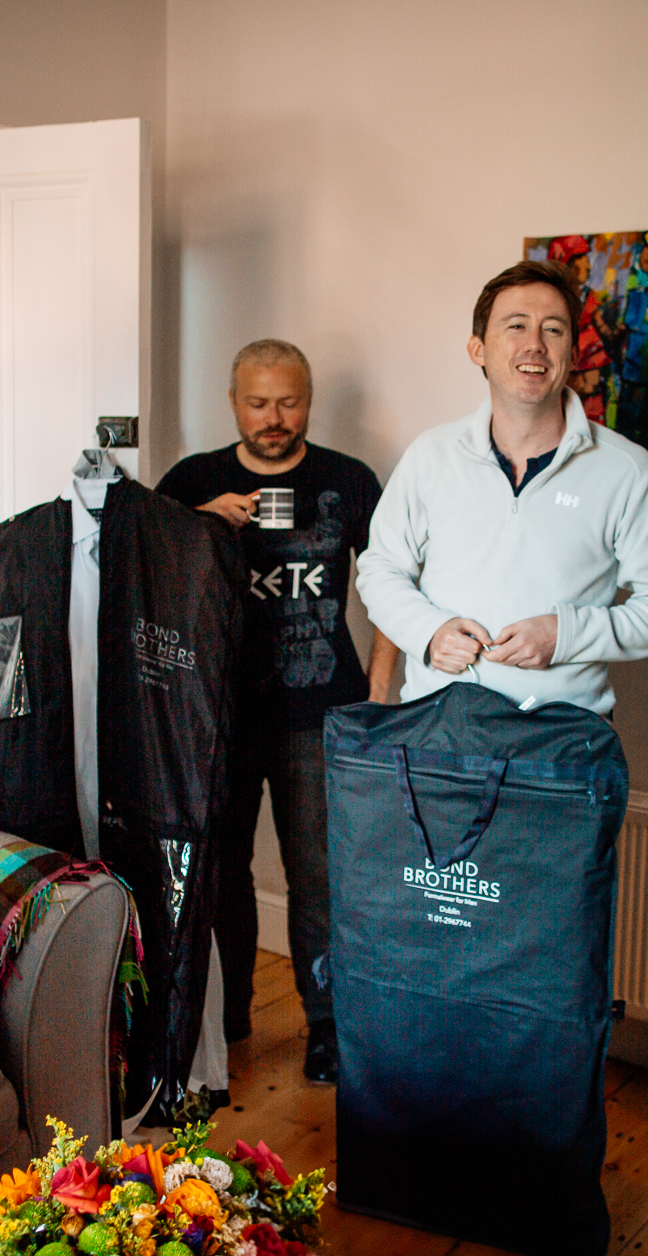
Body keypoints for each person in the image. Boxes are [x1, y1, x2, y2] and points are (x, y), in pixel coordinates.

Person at [156, 338, 395, 1085]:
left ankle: (325, 1026)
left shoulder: (347, 481)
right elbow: (139, 569)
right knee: (219, 873)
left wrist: (379, 690)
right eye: (258, 402)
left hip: (320, 712)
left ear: (309, 400)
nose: (273, 418)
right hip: (216, 716)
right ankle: (227, 1013)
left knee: (319, 875)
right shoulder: (194, 479)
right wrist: (198, 520)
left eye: (288, 402)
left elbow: (393, 584)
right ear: (233, 402)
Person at [356, 259, 648, 717]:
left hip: (564, 740)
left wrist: (566, 635)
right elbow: (379, 569)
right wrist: (429, 632)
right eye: (516, 326)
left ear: (572, 354)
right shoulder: (430, 456)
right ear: (478, 349)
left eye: (553, 330)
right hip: (437, 727)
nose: (535, 345)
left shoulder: (627, 471)